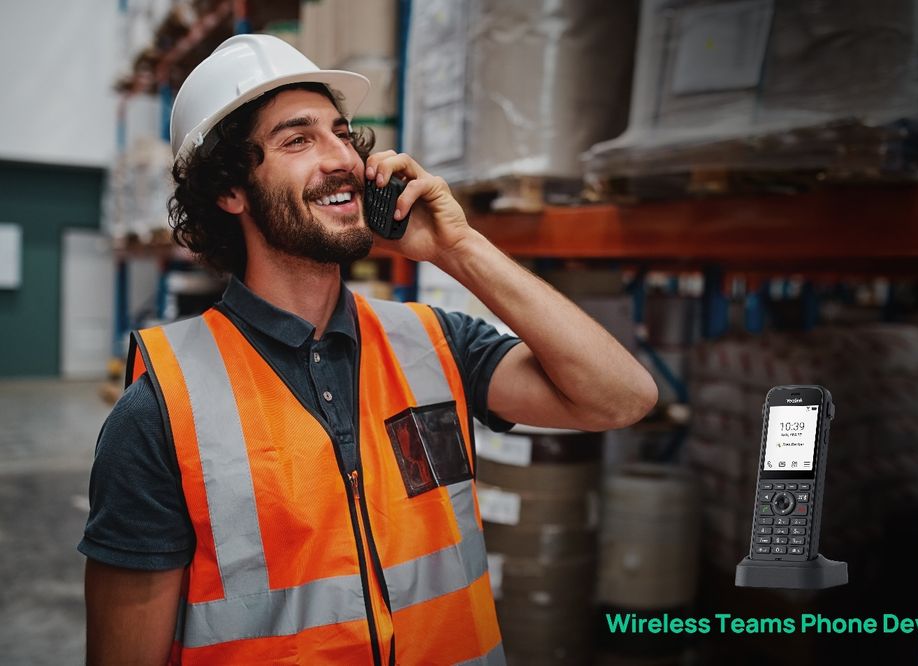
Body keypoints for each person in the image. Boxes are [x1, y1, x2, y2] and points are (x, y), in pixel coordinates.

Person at [80, 34, 657, 665]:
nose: (343, 159)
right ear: (231, 190)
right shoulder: (161, 411)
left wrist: (460, 249)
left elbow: (622, 398)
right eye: (297, 140)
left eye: (342, 134)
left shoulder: (435, 344)